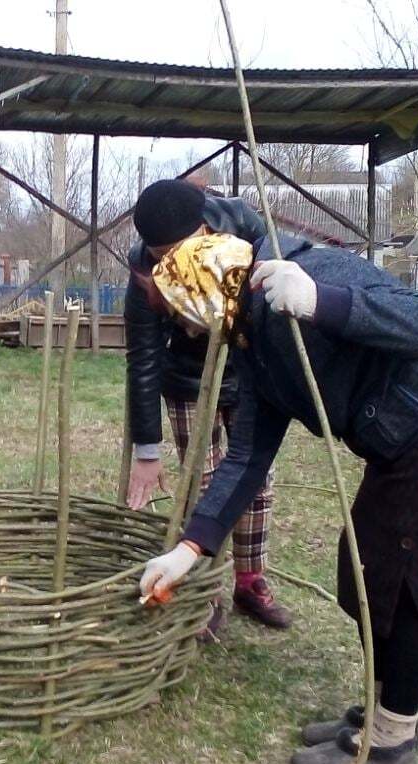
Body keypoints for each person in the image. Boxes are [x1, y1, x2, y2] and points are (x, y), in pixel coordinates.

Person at [134, 182, 418, 764]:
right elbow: (246, 458)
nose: (184, 328)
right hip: (405, 430)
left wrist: (321, 302)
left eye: (183, 312)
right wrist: (189, 549)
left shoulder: (308, 275)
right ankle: (387, 709)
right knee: (367, 566)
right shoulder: (252, 340)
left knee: (408, 578)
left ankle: (391, 742)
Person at [123, 179, 293, 636]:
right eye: (160, 257)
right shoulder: (142, 271)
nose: (169, 266)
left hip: (249, 370)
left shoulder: (244, 225)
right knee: (202, 482)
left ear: (202, 230)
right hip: (186, 381)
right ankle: (205, 590)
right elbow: (143, 358)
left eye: (176, 253)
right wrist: (146, 448)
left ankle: (250, 581)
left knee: (256, 480)